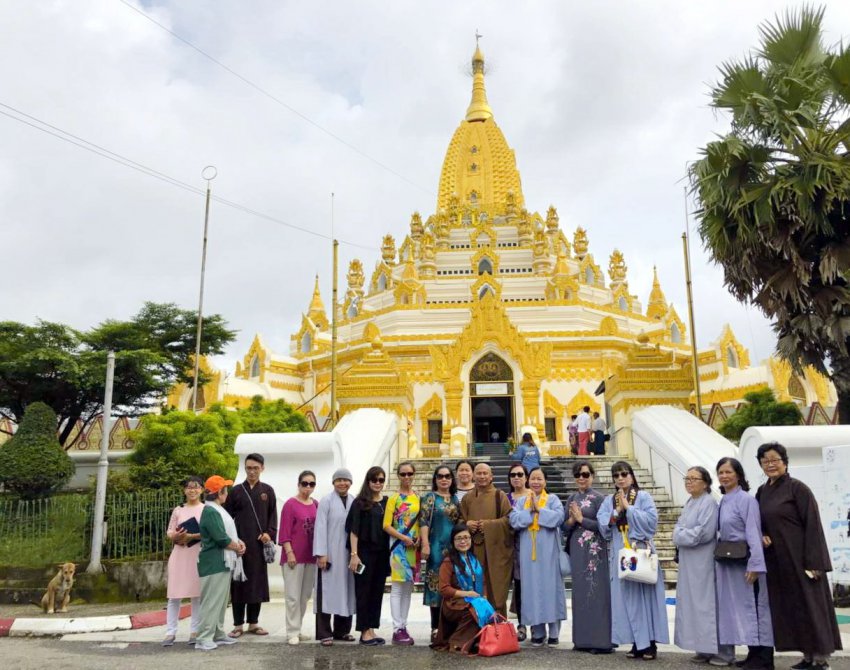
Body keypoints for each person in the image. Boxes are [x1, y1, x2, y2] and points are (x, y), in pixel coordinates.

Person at [756, 443, 842, 670]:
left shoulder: (798, 489)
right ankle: (807, 656)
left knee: (812, 607)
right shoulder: (762, 491)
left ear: (785, 462)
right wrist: (762, 533)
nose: (770, 464)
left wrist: (816, 562)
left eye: (775, 459)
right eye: (765, 461)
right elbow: (758, 522)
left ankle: (821, 659)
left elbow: (814, 526)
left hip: (803, 559)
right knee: (794, 609)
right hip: (779, 562)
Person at [597, 460, 669, 660]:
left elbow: (651, 522)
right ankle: (637, 642)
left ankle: (650, 643)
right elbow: (603, 524)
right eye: (616, 475)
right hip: (621, 550)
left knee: (645, 596)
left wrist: (629, 508)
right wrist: (616, 512)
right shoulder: (609, 500)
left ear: (632, 475)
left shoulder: (643, 496)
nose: (620, 478)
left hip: (640, 548)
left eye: (624, 474)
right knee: (626, 598)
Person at [715, 457, 773, 670]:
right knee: (743, 609)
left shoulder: (746, 500)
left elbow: (753, 531)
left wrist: (756, 564)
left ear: (738, 475)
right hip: (732, 562)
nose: (724, 476)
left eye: (728, 472)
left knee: (756, 608)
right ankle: (753, 654)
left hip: (747, 562)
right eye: (720, 472)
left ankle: (765, 658)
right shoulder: (724, 500)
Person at [673, 467, 733, 666]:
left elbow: (703, 533)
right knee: (694, 606)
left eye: (694, 478)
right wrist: (681, 535)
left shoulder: (709, 503)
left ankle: (723, 652)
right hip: (690, 563)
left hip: (705, 563)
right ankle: (704, 648)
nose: (689, 482)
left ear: (705, 483)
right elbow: (679, 528)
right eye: (687, 478)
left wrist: (680, 536)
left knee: (709, 606)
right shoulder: (690, 502)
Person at [509, 467, 567, 646]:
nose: (535, 482)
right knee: (532, 590)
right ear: (528, 481)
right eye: (533, 478)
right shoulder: (521, 502)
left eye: (539, 479)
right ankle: (538, 631)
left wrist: (539, 511)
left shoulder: (553, 499)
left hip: (549, 553)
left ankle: (554, 632)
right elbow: (514, 520)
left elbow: (559, 518)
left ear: (545, 482)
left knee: (551, 589)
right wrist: (530, 512)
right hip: (528, 554)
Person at [223, 453, 277, 638]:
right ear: (245, 469)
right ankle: (238, 624)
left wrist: (269, 533)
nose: (252, 471)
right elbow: (227, 519)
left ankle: (253, 623)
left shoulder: (268, 491)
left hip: (259, 545)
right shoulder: (236, 491)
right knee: (238, 583)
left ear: (262, 468)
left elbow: (272, 516)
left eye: (255, 468)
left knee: (257, 583)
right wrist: (233, 541)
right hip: (240, 546)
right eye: (248, 468)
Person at [564, 460, 612, 654]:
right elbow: (564, 527)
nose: (581, 478)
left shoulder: (601, 499)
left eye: (585, 474)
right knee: (580, 592)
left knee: (598, 592)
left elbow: (603, 526)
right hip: (577, 548)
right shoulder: (571, 498)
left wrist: (582, 519)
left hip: (595, 550)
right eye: (578, 475)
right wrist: (571, 520)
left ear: (592, 476)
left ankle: (601, 641)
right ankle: (582, 639)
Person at [195, 475, 246, 652]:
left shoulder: (215, 509)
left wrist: (237, 544)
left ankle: (217, 632)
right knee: (211, 602)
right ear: (219, 493)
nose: (227, 493)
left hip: (222, 562)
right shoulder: (211, 511)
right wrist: (237, 547)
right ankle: (203, 637)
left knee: (221, 601)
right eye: (225, 489)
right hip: (214, 562)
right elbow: (221, 538)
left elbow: (226, 536)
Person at [460, 462, 514, 617]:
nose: (482, 476)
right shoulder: (467, 498)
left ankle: (497, 627)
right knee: (475, 585)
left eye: (485, 473)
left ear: (491, 476)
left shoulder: (499, 496)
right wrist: (467, 524)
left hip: (496, 552)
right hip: (473, 550)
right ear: (473, 476)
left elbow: (509, 520)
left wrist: (489, 526)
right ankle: (474, 626)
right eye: (479, 473)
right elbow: (458, 521)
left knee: (495, 588)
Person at [431, 523, 494, 654]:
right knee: (473, 610)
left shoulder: (474, 560)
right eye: (459, 538)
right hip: (453, 604)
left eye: (466, 537)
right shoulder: (449, 561)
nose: (463, 541)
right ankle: (456, 643)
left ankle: (472, 642)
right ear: (453, 541)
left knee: (485, 611)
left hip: (472, 601)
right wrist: (467, 593)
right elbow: (444, 589)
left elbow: (483, 583)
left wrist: (485, 600)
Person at [313, 468, 356, 647]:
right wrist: (321, 553)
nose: (342, 483)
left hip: (348, 554)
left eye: (345, 480)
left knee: (347, 591)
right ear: (333, 482)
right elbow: (320, 527)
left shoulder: (355, 501)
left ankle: (342, 630)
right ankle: (324, 632)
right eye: (338, 480)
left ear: (350, 483)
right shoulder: (326, 501)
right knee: (327, 592)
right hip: (329, 554)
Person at [347, 466, 390, 646]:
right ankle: (364, 632)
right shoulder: (360, 503)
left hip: (381, 553)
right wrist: (354, 555)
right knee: (363, 592)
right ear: (368, 481)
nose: (378, 483)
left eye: (381, 480)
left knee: (377, 592)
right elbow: (353, 531)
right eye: (374, 480)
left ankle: (372, 629)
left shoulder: (387, 502)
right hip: (364, 553)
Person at [420, 464, 461, 643]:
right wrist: (425, 544)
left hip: (453, 549)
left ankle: (450, 627)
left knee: (452, 585)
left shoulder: (455, 499)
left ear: (452, 480)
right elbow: (423, 522)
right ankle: (435, 628)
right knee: (436, 587)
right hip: (436, 547)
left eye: (447, 476)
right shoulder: (430, 498)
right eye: (440, 476)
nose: (444, 479)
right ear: (435, 479)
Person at [162, 476, 204, 647]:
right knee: (174, 595)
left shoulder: (206, 509)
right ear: (184, 490)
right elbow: (170, 531)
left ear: (202, 489)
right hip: (180, 553)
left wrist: (192, 536)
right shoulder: (178, 510)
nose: (192, 490)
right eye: (188, 487)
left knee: (196, 594)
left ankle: (195, 630)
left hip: (197, 553)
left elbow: (209, 532)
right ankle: (170, 631)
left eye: (196, 487)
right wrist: (176, 536)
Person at [278, 469, 319, 645]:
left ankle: (298, 628)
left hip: (311, 557)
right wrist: (289, 552)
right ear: (299, 484)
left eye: (312, 484)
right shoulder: (290, 504)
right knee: (293, 597)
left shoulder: (316, 504)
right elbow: (284, 531)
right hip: (293, 557)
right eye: (305, 483)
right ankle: (291, 631)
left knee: (304, 597)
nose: (308, 487)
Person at [383, 461, 420, 645]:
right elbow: (386, 525)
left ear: (414, 475)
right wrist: (403, 538)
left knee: (408, 589)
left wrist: (418, 538)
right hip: (398, 546)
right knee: (397, 588)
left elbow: (419, 523)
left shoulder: (417, 498)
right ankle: (397, 628)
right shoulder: (394, 498)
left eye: (410, 474)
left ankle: (404, 625)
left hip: (413, 548)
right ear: (398, 476)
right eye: (403, 474)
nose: (407, 477)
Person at [506, 462, 530, 642]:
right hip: (509, 545)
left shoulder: (534, 495)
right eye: (513, 474)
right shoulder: (505, 498)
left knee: (531, 586)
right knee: (519, 585)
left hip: (532, 545)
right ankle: (521, 624)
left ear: (526, 477)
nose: (516, 477)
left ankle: (535, 623)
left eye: (520, 474)